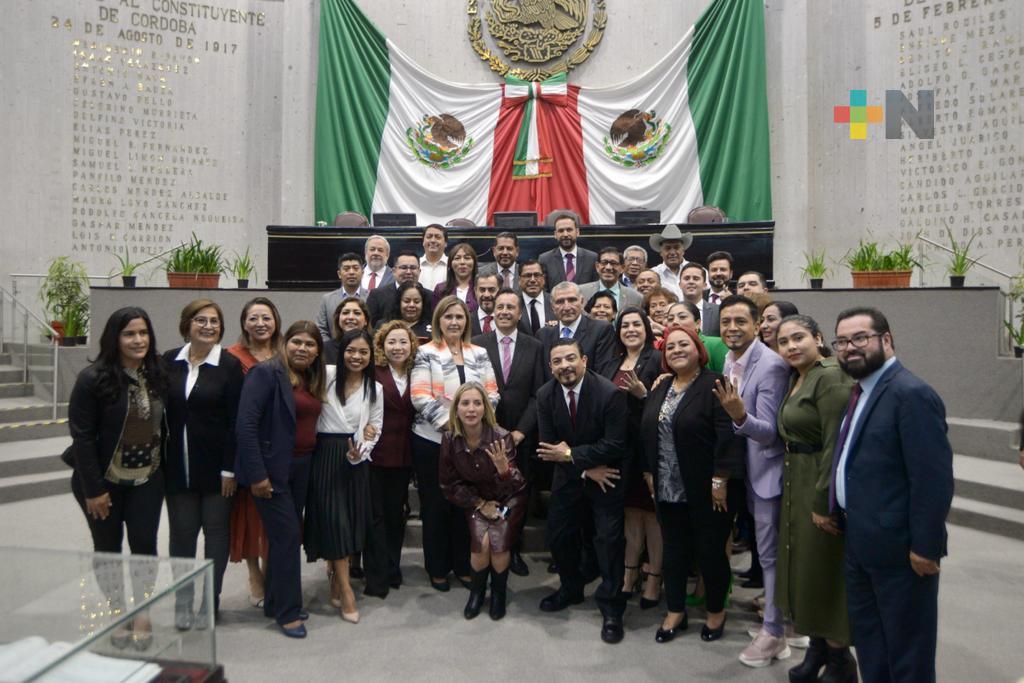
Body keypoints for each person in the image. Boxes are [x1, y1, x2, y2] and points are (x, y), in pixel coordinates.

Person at [831, 307, 953, 683]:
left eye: (860, 338)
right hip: (861, 542)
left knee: (907, 653)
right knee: (871, 645)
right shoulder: (862, 391)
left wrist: (926, 547)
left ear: (886, 340)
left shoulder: (911, 393)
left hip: (902, 553)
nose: (850, 348)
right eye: (842, 341)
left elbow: (932, 479)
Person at [67, 307, 169, 651]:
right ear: (115, 338)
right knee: (108, 550)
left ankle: (142, 613)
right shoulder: (92, 378)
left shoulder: (157, 373)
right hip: (101, 481)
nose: (138, 340)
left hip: (148, 477)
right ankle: (117, 612)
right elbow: (81, 437)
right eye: (129, 334)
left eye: (143, 333)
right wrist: (94, 490)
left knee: (144, 547)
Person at [640, 326, 738, 645]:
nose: (677, 350)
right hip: (668, 487)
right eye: (670, 347)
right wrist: (649, 472)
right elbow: (647, 432)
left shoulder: (715, 384)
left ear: (699, 350)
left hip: (707, 487)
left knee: (710, 553)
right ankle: (676, 610)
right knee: (675, 552)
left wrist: (720, 478)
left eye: (684, 344)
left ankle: (715, 611)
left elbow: (728, 434)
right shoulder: (661, 385)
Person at [774, 315, 856, 682]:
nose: (791, 346)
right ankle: (819, 650)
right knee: (804, 568)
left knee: (825, 570)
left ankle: (841, 660)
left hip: (819, 481)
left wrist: (825, 502)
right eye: (783, 341)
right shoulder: (797, 377)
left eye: (798, 338)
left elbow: (836, 446)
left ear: (818, 338)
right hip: (796, 477)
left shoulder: (831, 376)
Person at [712, 295, 791, 667]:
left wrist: (739, 416)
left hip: (767, 472)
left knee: (772, 556)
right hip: (742, 470)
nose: (731, 328)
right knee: (766, 552)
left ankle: (774, 632)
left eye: (740, 321)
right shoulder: (729, 360)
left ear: (757, 324)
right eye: (726, 321)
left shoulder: (772, 365)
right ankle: (785, 622)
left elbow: (772, 432)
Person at [235, 321, 326, 639]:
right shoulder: (265, 373)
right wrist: (258, 475)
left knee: (281, 539)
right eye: (297, 342)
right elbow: (245, 426)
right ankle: (288, 612)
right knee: (287, 538)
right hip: (271, 471)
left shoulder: (309, 377)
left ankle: (276, 601)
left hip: (301, 467)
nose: (303, 349)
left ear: (318, 351)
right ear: (285, 343)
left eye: (310, 345)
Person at [536, 339, 628, 644]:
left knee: (607, 541)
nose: (565, 366)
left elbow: (615, 444)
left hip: (608, 478)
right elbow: (550, 449)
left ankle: (612, 609)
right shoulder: (545, 395)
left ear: (584, 360)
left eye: (570, 358)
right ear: (551, 367)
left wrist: (571, 455)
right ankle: (570, 589)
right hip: (575, 476)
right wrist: (584, 466)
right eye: (558, 361)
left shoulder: (609, 394)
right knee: (558, 536)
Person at [163, 299, 244, 631]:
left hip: (217, 470)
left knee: (214, 537)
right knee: (181, 537)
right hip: (176, 467)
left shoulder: (229, 365)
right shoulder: (168, 361)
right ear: (187, 324)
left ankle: (210, 602)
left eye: (215, 321)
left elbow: (236, 421)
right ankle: (182, 602)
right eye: (201, 320)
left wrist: (230, 469)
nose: (209, 326)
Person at [411, 295, 499, 591]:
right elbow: (420, 396)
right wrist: (456, 426)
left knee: (466, 508)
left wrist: (472, 426)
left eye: (459, 317)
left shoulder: (480, 352)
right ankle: (437, 567)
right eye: (448, 317)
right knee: (435, 508)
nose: (454, 322)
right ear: (438, 321)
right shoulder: (425, 352)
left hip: (472, 444)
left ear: (467, 322)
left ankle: (463, 565)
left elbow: (492, 394)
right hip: (433, 441)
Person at [305, 329, 384, 622]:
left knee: (350, 522)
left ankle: (336, 578)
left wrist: (360, 451)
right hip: (324, 453)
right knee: (334, 520)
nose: (357, 357)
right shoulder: (325, 375)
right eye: (351, 351)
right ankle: (346, 588)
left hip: (354, 459)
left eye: (363, 352)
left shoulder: (375, 388)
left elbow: (375, 427)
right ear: (341, 352)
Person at [472, 289, 545, 577]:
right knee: (485, 494)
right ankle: (485, 549)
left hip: (519, 438)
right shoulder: (477, 344)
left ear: (519, 313)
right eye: (500, 306)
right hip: (483, 436)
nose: (504, 311)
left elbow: (539, 393)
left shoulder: (535, 346)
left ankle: (511, 549)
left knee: (515, 498)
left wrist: (520, 432)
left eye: (510, 307)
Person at [440, 382, 527, 620]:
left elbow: (517, 485)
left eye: (477, 403)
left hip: (508, 501)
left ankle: (498, 595)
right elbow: (449, 485)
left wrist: (504, 470)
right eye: (465, 403)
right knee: (481, 545)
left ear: (485, 408)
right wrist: (479, 503)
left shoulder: (501, 436)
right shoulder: (449, 439)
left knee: (497, 545)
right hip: (476, 501)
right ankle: (476, 594)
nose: (471, 409)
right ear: (456, 408)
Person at [598, 307, 662, 609]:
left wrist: (644, 395)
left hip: (648, 448)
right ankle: (629, 574)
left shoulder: (657, 358)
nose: (631, 330)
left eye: (637, 324)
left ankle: (654, 579)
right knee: (630, 514)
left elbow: (667, 403)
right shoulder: (611, 361)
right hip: (619, 449)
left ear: (646, 329)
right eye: (625, 325)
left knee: (651, 516)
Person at [226, 297, 282, 608]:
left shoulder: (287, 355)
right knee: (247, 516)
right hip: (246, 445)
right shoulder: (232, 358)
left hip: (281, 448)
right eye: (253, 318)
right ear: (244, 323)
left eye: (266, 317)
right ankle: (253, 572)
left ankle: (271, 569)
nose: (260, 323)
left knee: (277, 517)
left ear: (276, 322)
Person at [365, 321, 418, 591]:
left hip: (405, 455)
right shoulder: (372, 372)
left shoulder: (417, 372)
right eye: (391, 342)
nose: (397, 347)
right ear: (382, 346)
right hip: (376, 453)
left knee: (396, 515)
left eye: (403, 342)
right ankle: (376, 576)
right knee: (376, 517)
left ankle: (393, 568)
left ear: (411, 345)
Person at [538, 281, 616, 377]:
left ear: (582, 302)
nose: (566, 307)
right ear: (552, 307)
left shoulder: (601, 330)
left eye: (572, 300)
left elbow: (602, 374)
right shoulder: (543, 335)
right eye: (560, 301)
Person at [538, 210, 598, 287]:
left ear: (577, 232)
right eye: (561, 231)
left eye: (569, 230)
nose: (565, 234)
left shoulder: (592, 258)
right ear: (555, 235)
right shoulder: (544, 259)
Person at [366, 250, 426, 326]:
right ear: (394, 271)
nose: (408, 272)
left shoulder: (428, 296)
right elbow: (370, 326)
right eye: (403, 267)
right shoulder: (377, 295)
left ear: (419, 271)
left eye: (413, 268)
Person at [316, 252, 367, 341]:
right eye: (346, 269)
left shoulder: (371, 297)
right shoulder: (327, 299)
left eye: (355, 268)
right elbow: (321, 329)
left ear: (362, 273)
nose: (351, 272)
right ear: (339, 274)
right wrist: (331, 348)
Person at [664, 302, 727, 373]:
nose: (674, 322)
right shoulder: (668, 348)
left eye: (682, 317)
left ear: (697, 323)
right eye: (670, 319)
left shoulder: (716, 344)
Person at [579, 247, 644, 312]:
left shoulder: (636, 297)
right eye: (604, 262)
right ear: (597, 266)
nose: (608, 267)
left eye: (613, 263)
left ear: (622, 268)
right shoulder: (581, 292)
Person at [649, 224, 692, 299]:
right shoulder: (653, 274)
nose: (672, 252)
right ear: (661, 252)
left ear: (683, 250)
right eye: (667, 248)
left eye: (676, 247)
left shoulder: (697, 271)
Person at [432, 242, 479, 311]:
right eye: (457, 258)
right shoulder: (440, 289)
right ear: (450, 264)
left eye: (467, 258)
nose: (462, 262)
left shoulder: (482, 288)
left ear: (474, 262)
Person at [324, 297, 373, 364]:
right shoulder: (325, 348)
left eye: (357, 313)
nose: (350, 317)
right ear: (338, 319)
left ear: (366, 321)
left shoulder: (375, 348)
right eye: (345, 313)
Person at [679, 262, 720, 337]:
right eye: (687, 278)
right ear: (680, 284)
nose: (691, 281)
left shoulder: (718, 311)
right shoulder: (671, 311)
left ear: (705, 285)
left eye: (696, 278)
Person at [519, 259, 555, 335]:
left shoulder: (556, 301)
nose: (532, 280)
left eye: (537, 275)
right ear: (519, 280)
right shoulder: (513, 303)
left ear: (543, 279)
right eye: (527, 275)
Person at [419, 224, 449, 291]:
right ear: (423, 242)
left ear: (446, 243)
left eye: (437, 237)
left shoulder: (452, 265)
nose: (432, 240)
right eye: (429, 237)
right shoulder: (416, 265)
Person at [470, 272, 501, 336]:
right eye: (482, 290)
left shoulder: (510, 321)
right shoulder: (466, 321)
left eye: (491, 290)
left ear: (500, 291)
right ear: (475, 291)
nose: (486, 295)